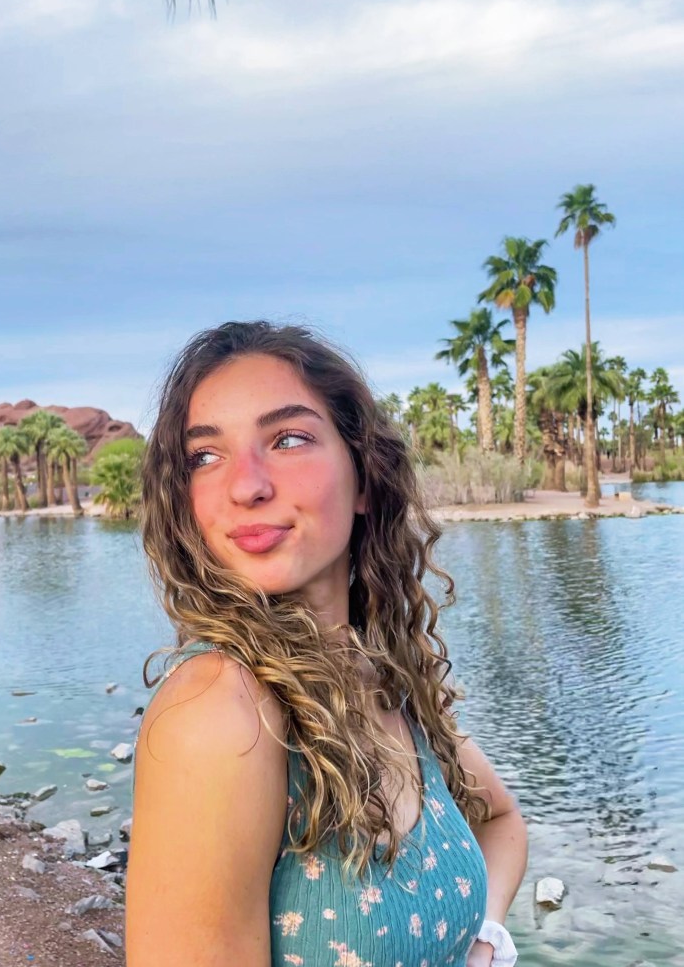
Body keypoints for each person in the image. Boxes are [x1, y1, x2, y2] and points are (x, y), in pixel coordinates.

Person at [125, 320, 527, 967]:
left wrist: (484, 942)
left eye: (286, 438)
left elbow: (501, 822)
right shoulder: (218, 714)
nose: (245, 485)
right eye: (205, 454)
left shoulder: (385, 676)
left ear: (364, 477)